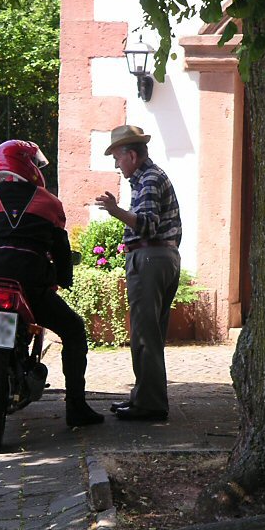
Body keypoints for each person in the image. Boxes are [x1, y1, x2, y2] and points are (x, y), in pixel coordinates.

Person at [0, 139, 104, 427]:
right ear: (26, 165)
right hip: (30, 288)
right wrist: (63, 278)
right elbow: (61, 251)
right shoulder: (50, 203)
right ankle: (76, 406)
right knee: (73, 330)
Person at [95, 125, 182, 421]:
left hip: (150, 258)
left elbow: (146, 225)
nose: (116, 165)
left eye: (118, 158)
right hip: (160, 257)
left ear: (132, 155)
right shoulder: (149, 177)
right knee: (150, 335)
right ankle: (144, 397)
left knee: (145, 335)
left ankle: (149, 404)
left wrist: (114, 210)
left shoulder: (149, 179)